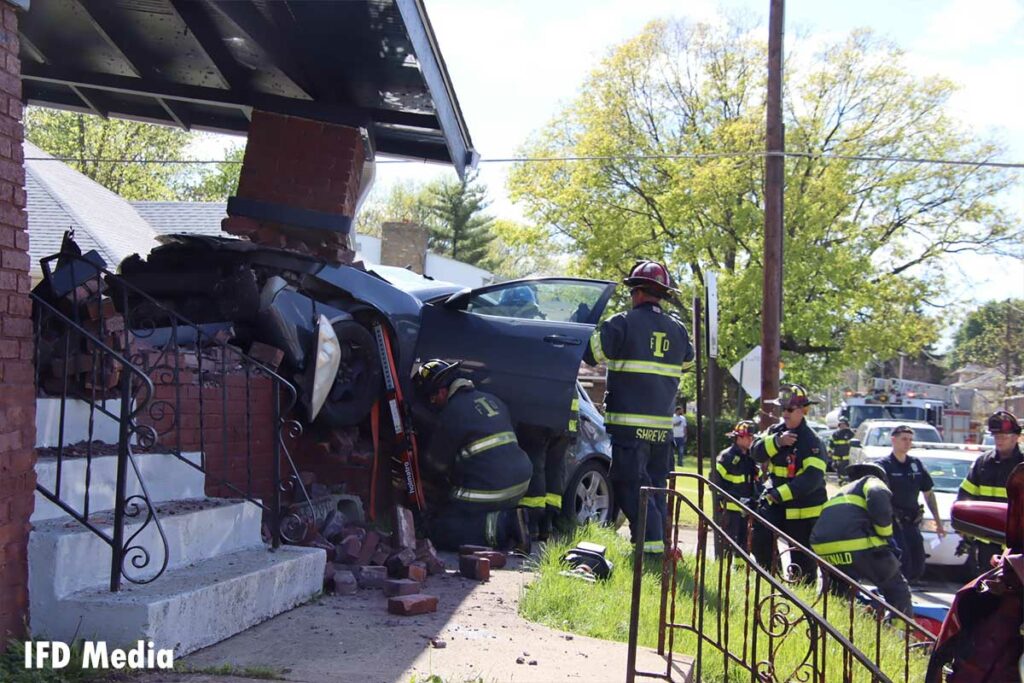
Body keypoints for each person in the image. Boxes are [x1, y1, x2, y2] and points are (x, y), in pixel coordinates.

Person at [582, 260, 694, 554]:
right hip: (662, 430)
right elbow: (688, 361)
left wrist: (583, 323)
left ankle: (651, 550)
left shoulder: (621, 323)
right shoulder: (678, 330)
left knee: (631, 486)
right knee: (657, 488)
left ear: (638, 292)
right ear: (662, 295)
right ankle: (660, 546)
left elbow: (591, 355)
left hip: (629, 428)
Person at [414, 359, 532, 552]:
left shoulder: (451, 413)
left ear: (443, 392)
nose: (432, 404)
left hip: (492, 488)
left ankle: (506, 525)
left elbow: (436, 466)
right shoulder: (492, 399)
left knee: (442, 529)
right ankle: (513, 517)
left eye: (432, 398)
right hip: (520, 482)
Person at [810, 462, 913, 617]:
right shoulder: (871, 481)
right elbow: (877, 493)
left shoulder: (841, 493)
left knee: (838, 595)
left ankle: (838, 624)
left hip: (825, 551)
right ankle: (900, 632)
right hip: (858, 547)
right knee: (897, 589)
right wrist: (885, 535)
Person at [751, 383, 828, 582]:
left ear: (803, 411)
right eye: (782, 409)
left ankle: (802, 592)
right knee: (760, 538)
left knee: (802, 560)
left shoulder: (812, 442)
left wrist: (779, 494)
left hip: (803, 510)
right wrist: (778, 442)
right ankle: (769, 579)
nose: (785, 413)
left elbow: (811, 479)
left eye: (790, 409)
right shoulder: (776, 431)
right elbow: (756, 452)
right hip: (775, 503)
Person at [877, 424, 946, 583]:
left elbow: (928, 494)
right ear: (893, 440)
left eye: (910, 440)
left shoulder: (916, 464)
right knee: (903, 557)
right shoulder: (884, 465)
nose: (907, 443)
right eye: (903, 439)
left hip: (912, 520)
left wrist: (937, 522)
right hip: (893, 521)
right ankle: (900, 589)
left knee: (918, 559)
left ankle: (911, 584)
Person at [957, 410, 1024, 571]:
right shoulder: (983, 463)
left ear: (1016, 437)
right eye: (996, 436)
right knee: (987, 590)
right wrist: (964, 529)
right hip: (987, 541)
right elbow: (966, 496)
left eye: (1004, 436)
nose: (999, 440)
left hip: (1018, 544)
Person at [712, 420, 759, 553]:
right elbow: (714, 482)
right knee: (727, 545)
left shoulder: (750, 458)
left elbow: (754, 481)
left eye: (753, 437)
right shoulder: (726, 457)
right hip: (730, 511)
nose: (752, 439)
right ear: (739, 437)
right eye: (749, 436)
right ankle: (722, 568)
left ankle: (739, 571)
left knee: (743, 546)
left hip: (747, 509)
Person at [829, 417, 855, 482]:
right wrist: (829, 451)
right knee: (837, 467)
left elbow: (854, 444)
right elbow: (831, 444)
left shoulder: (850, 433)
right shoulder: (835, 434)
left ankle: (845, 480)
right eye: (841, 424)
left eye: (844, 424)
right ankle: (840, 480)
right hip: (837, 455)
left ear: (847, 425)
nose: (842, 426)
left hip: (847, 455)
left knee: (845, 468)